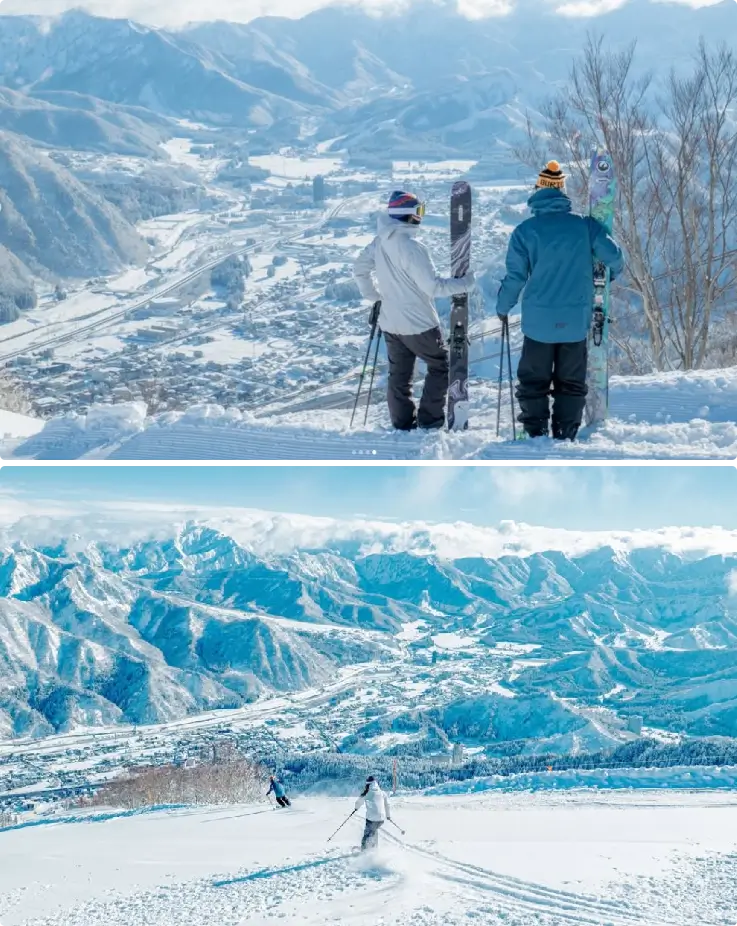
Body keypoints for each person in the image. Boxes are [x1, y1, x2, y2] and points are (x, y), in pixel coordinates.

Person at [496, 160, 624, 441]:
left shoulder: (524, 232)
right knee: (571, 383)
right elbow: (614, 258)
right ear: (562, 192)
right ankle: (565, 434)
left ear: (537, 191)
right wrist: (605, 279)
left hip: (538, 325)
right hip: (575, 322)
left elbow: (515, 277)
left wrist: (502, 307)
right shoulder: (585, 227)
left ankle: (536, 433)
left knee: (533, 382)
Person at [353, 190, 475, 431]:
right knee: (441, 365)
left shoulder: (380, 241)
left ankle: (402, 423)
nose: (421, 217)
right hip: (418, 323)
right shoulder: (412, 247)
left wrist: (375, 297)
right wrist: (465, 284)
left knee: (399, 375)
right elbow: (433, 286)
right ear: (407, 214)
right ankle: (429, 421)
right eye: (419, 211)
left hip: (390, 323)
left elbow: (359, 268)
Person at [354, 775, 391, 851]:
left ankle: (364, 850)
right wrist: (388, 815)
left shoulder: (367, 793)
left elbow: (358, 802)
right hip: (381, 818)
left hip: (371, 818)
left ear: (368, 784)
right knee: (374, 830)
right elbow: (387, 804)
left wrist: (356, 809)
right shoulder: (382, 792)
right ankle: (374, 848)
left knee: (367, 834)